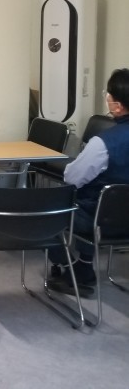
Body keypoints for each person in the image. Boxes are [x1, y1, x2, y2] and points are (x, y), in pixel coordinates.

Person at [47, 68, 129, 297]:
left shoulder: (103, 144)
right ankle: (83, 265)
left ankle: (73, 269)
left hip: (100, 220)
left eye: (109, 94)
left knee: (47, 211)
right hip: (121, 220)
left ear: (118, 106)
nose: (106, 97)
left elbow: (72, 177)